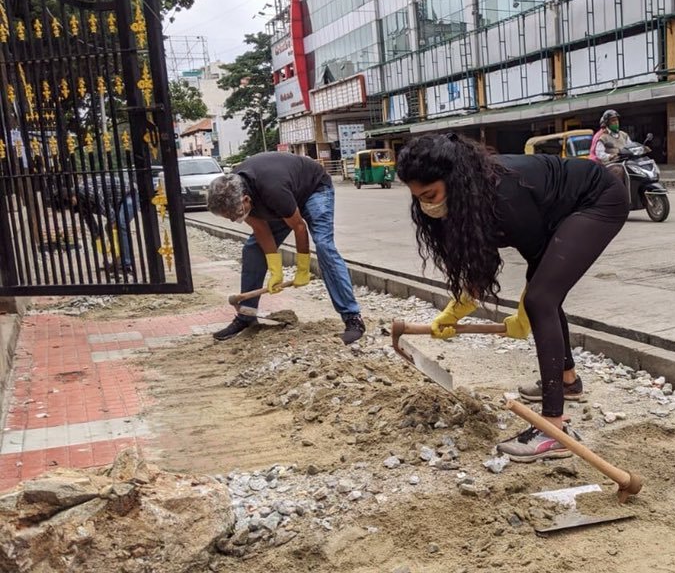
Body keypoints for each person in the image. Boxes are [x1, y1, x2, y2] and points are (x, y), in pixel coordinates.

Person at [396, 132, 628, 463]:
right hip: (560, 209)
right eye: (418, 197)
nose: (426, 205)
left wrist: (526, 312)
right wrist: (454, 312)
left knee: (541, 298)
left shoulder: (504, 194)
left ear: (455, 180)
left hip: (599, 198)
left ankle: (553, 430)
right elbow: (481, 264)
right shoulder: (472, 199)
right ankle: (567, 381)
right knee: (543, 297)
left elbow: (539, 258)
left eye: (430, 194)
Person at [205, 152, 365, 344]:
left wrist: (303, 268)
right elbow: (261, 230)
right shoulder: (235, 191)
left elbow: (298, 226)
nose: (233, 219)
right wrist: (275, 270)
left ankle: (352, 318)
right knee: (252, 249)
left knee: (324, 245)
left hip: (313, 189)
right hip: (283, 200)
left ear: (245, 200)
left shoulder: (272, 189)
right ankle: (246, 316)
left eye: (234, 214)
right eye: (228, 217)